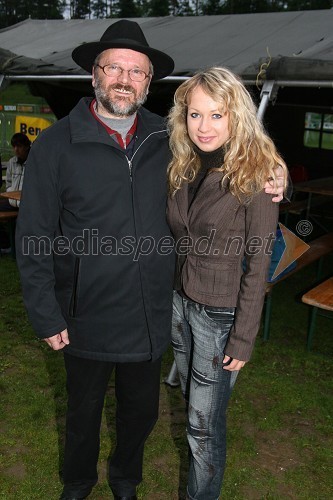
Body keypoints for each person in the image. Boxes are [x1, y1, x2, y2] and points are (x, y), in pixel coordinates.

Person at [15, 21, 285, 500]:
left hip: (152, 312)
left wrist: (273, 170)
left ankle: (125, 482)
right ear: (94, 75)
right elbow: (33, 235)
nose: (125, 78)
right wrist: (44, 311)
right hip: (84, 314)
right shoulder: (55, 145)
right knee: (81, 414)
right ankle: (77, 484)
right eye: (114, 67)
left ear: (147, 82)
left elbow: (230, 151)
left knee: (140, 413)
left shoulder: (169, 139)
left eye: (136, 71)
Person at [166, 67, 288, 500]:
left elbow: (259, 262)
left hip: (220, 316)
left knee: (203, 426)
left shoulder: (257, 175)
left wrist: (243, 337)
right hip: (180, 302)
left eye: (216, 115)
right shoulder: (183, 161)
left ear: (236, 114)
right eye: (195, 115)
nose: (204, 127)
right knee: (192, 409)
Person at [5, 132, 31, 208]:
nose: (16, 149)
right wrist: (12, 194)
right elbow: (8, 184)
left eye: (19, 146)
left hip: (27, 206)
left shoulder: (34, 163)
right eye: (14, 146)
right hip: (12, 203)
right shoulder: (11, 162)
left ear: (26, 147)